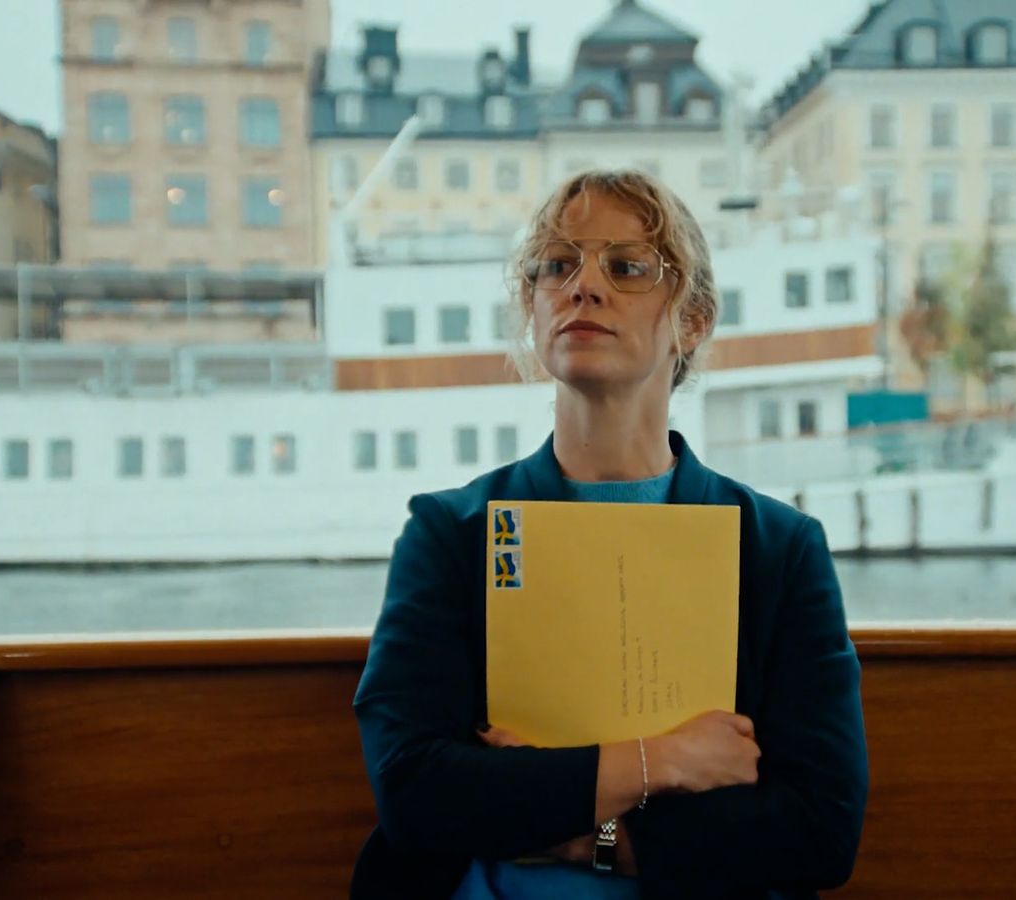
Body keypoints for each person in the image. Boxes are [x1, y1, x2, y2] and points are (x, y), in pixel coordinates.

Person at [351, 170, 869, 899]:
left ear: (692, 321)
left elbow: (822, 827)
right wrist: (669, 761)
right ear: (532, 308)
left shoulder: (779, 548)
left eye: (626, 267)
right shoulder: (451, 533)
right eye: (557, 265)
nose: (582, 286)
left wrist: (583, 835)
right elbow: (414, 791)